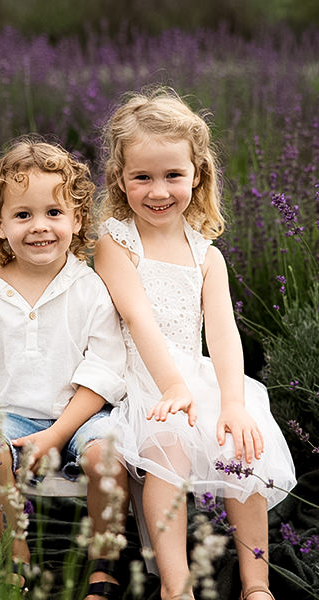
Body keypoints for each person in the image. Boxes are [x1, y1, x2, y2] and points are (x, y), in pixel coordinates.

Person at [94, 87, 296, 600]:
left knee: (245, 448)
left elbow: (223, 331)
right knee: (170, 450)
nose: (158, 191)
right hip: (144, 382)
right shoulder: (116, 242)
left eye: (172, 176)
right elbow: (138, 318)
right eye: (142, 177)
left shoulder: (205, 254)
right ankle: (175, 585)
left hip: (195, 378)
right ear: (120, 178)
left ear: (197, 174)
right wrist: (173, 388)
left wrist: (232, 401)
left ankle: (256, 584)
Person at [0, 137, 130, 598]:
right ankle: (13, 555)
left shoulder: (88, 289)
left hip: (78, 415)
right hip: (8, 413)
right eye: (23, 215)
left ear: (78, 220)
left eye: (54, 213)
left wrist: (58, 434)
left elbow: (103, 369)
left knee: (107, 457)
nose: (40, 227)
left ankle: (104, 565)